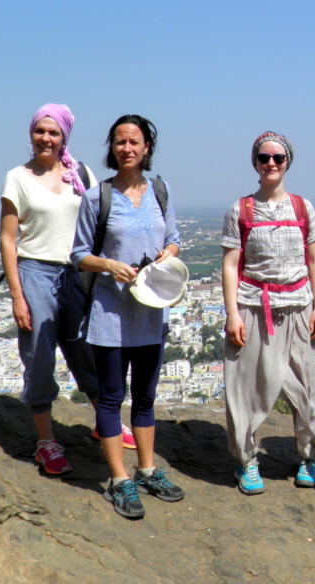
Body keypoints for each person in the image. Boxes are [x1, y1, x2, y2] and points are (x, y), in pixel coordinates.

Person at [72, 114, 185, 519]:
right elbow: (78, 255)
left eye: (134, 141)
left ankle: (147, 469)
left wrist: (166, 255)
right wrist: (109, 265)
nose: (127, 148)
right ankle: (120, 479)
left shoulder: (160, 190)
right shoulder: (96, 197)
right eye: (120, 141)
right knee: (111, 396)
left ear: (147, 148)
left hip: (152, 308)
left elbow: (173, 240)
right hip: (111, 311)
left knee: (147, 395)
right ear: (111, 148)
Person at [0, 103, 118, 477]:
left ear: (64, 136)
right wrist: (18, 295)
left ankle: (106, 424)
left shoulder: (79, 172)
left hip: (78, 274)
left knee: (88, 351)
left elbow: (103, 221)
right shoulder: (17, 177)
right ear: (31, 134)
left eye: (53, 133)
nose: (45, 138)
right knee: (39, 357)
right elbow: (7, 240)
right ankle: (46, 442)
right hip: (36, 272)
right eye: (40, 131)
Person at [222, 132, 315, 495]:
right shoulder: (241, 210)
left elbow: (314, 260)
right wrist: (232, 313)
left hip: (298, 306)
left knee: (304, 385)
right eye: (264, 157)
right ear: (255, 162)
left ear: (287, 163)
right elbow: (231, 264)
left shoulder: (302, 207)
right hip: (253, 305)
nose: (271, 163)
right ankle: (246, 460)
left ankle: (308, 455)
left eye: (278, 158)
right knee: (244, 387)